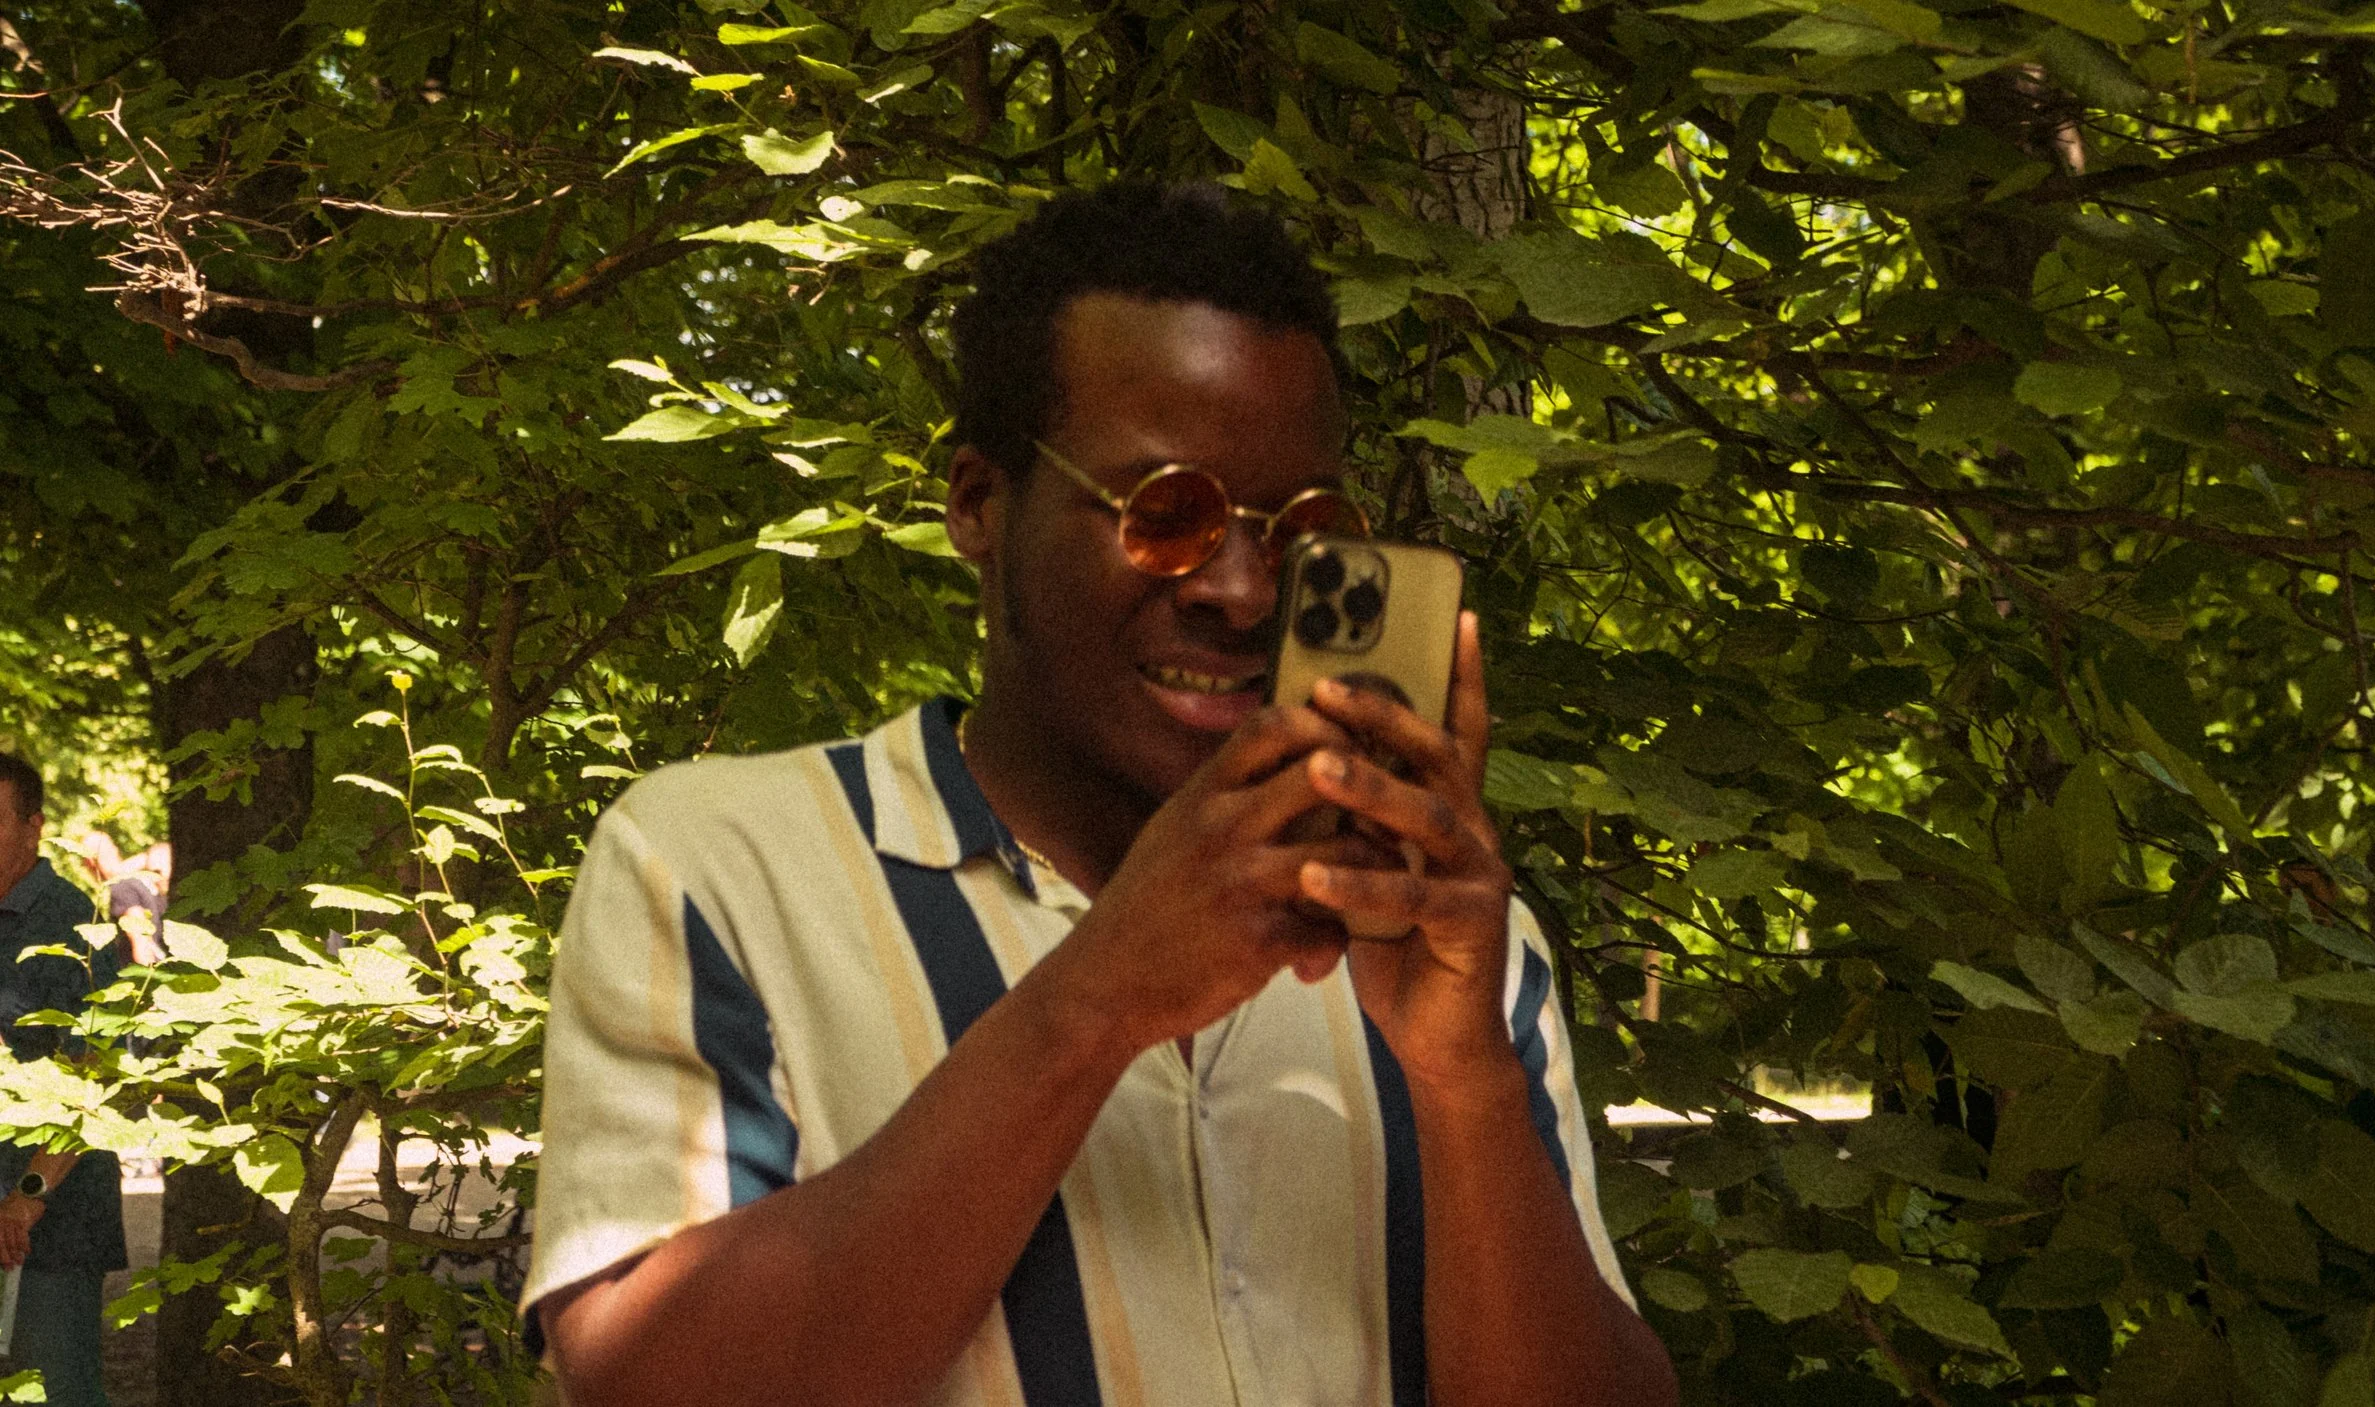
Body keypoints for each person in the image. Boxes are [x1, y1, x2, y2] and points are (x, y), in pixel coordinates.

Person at [523, 184, 1679, 1406]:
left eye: (1299, 529)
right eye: (1165, 513)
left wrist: (1462, 1083)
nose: (1242, 590)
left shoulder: (1447, 941)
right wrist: (1099, 998)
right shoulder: (718, 865)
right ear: (979, 503)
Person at [0, 754, 126, 1407]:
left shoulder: (74, 925)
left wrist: (26, 1196)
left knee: (54, 1396)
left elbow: (97, 1077)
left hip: (48, 1227)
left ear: (33, 827)